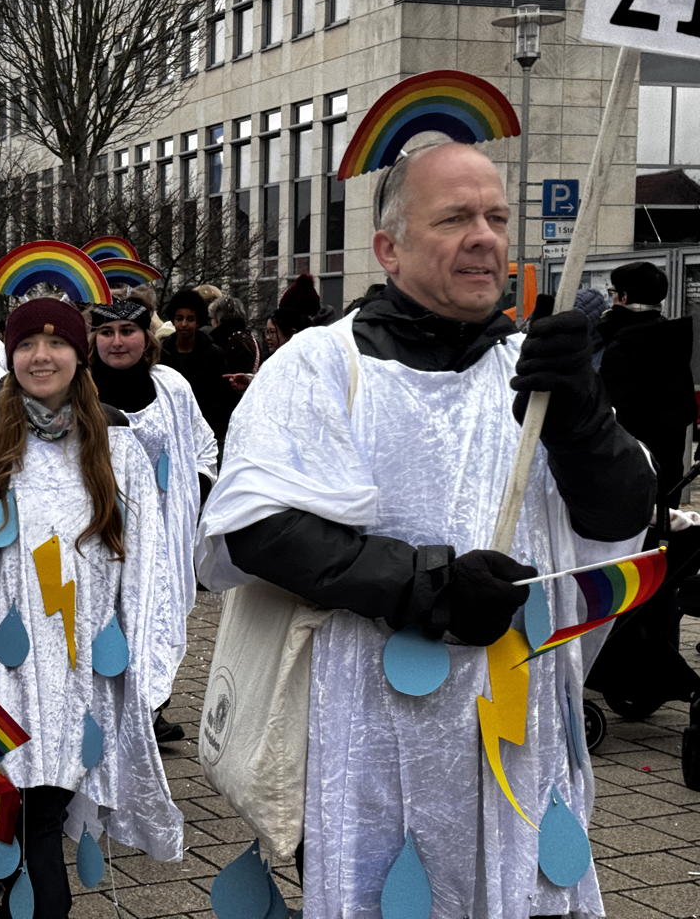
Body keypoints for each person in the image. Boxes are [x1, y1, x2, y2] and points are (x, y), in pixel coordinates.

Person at [196, 141, 655, 918]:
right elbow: (258, 527)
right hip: (374, 728)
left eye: (496, 217)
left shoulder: (534, 370)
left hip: (518, 727)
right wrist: (428, 586)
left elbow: (620, 517)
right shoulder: (318, 364)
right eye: (454, 218)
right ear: (389, 247)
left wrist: (584, 422)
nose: (485, 236)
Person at [0, 297, 182, 919]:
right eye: (25, 345)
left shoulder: (118, 447)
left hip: (78, 672)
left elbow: (149, 561)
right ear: (9, 355)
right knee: (13, 814)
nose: (40, 357)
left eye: (56, 344)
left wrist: (144, 668)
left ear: (80, 354)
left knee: (42, 814)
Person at [88, 299, 217, 743]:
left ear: (146, 338)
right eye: (107, 332)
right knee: (108, 621)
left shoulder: (171, 387)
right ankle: (107, 710)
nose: (118, 341)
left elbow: (201, 442)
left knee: (157, 618)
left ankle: (150, 705)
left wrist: (193, 490)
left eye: (128, 330)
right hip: (102, 534)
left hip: (162, 530)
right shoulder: (79, 386)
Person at [596, 261, 695, 510]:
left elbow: (606, 411)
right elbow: (684, 410)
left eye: (613, 293)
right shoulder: (674, 339)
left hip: (625, 472)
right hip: (668, 472)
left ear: (624, 297)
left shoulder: (621, 346)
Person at [158, 288, 230, 444]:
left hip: (205, 432)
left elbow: (221, 399)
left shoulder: (214, 354)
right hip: (170, 430)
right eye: (179, 318)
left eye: (190, 319)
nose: (184, 324)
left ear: (198, 321)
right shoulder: (162, 353)